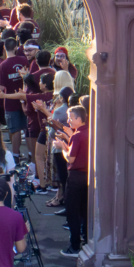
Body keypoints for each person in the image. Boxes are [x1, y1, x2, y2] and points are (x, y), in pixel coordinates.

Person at [53, 105, 88, 258]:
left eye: (71, 118)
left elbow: (71, 158)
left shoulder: (77, 136)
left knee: (72, 211)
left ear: (79, 119)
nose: (68, 121)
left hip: (75, 177)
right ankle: (86, 241)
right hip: (87, 176)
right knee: (85, 211)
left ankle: (74, 246)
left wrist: (62, 147)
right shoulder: (88, 132)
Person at [0, 37, 28, 159]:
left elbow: (1, 88)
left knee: (15, 130)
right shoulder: (24, 60)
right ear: (16, 47)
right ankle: (30, 154)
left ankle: (15, 155)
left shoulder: (3, 65)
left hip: (10, 101)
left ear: (4, 48)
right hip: (25, 100)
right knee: (27, 129)